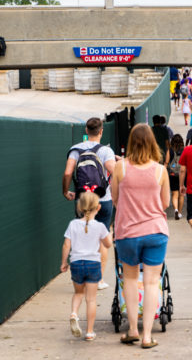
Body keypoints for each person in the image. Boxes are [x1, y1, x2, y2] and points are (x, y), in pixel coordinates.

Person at [111, 123, 170, 349]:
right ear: (152, 142)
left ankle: (133, 329)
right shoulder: (160, 170)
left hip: (127, 232)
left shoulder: (120, 167)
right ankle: (147, 336)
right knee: (152, 282)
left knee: (130, 279)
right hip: (155, 231)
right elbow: (165, 203)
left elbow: (115, 199)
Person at [63, 117, 116, 290]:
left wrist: (65, 191)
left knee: (82, 235)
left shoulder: (75, 150)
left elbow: (68, 172)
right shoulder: (106, 151)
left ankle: (82, 277)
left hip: (83, 199)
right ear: (101, 131)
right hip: (104, 199)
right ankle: (98, 280)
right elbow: (114, 172)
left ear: (86, 131)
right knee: (102, 238)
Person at [61, 191, 113, 341]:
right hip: (93, 265)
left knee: (78, 293)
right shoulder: (100, 226)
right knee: (91, 299)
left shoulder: (73, 224)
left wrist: (64, 262)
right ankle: (89, 332)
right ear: (98, 207)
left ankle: (74, 314)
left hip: (76, 263)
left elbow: (66, 245)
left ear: (79, 207)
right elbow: (108, 244)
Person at [166, 134, 185, 220]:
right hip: (182, 174)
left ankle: (176, 210)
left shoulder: (169, 150)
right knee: (181, 195)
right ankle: (180, 213)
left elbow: (166, 162)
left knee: (174, 194)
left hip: (172, 175)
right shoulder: (184, 150)